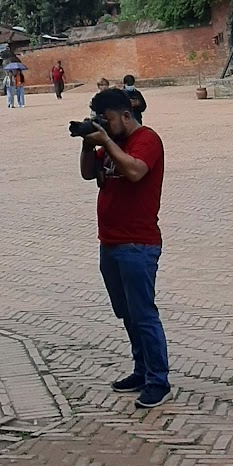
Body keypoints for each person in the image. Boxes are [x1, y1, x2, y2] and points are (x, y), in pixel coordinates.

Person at [78, 86, 170, 410]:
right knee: (128, 315)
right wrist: (89, 146)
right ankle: (141, 371)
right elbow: (88, 173)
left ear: (126, 115)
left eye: (109, 119)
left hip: (138, 245)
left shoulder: (147, 139)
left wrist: (105, 143)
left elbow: (134, 171)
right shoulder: (110, 143)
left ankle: (158, 381)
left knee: (144, 315)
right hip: (110, 243)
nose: (105, 124)